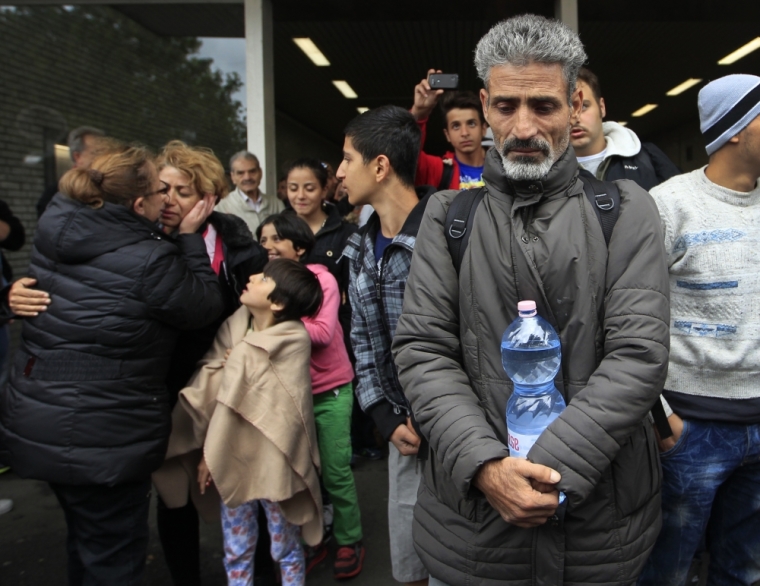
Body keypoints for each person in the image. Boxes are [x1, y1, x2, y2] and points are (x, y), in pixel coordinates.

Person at [391, 14, 669, 586]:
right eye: (506, 106)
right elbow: (423, 350)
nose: (522, 126)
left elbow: (639, 355)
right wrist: (487, 467)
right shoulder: (447, 217)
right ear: (487, 105)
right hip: (474, 529)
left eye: (543, 106)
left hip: (600, 526)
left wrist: (551, 471)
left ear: (574, 105)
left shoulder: (626, 210)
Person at [0, 145, 224, 585]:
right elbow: (203, 305)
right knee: (114, 560)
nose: (170, 199)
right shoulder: (150, 257)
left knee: (86, 545)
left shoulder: (59, 226)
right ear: (139, 205)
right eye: (162, 190)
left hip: (40, 418)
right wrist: (189, 240)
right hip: (105, 433)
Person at [638, 74, 760, 586]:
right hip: (691, 430)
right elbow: (625, 320)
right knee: (668, 570)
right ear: (736, 128)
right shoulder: (668, 205)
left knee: (746, 570)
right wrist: (662, 424)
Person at [161, 259, 324, 586]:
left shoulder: (293, 340)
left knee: (286, 547)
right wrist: (211, 452)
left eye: (263, 278)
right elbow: (212, 381)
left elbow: (289, 414)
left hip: (276, 462)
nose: (251, 277)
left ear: (277, 303)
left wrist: (236, 361)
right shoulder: (235, 326)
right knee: (236, 546)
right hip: (231, 454)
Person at [154, 140, 270, 586]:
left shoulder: (235, 240)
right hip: (166, 388)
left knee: (243, 486)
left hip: (230, 382)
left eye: (182, 191)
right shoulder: (144, 237)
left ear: (208, 196)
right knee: (174, 495)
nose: (169, 201)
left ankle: (258, 573)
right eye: (162, 189)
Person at [339, 105, 436, 586]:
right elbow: (362, 338)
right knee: (412, 562)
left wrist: (435, 411)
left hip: (457, 432)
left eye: (346, 158)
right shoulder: (359, 246)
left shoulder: (445, 234)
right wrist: (384, 415)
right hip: (403, 435)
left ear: (379, 166)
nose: (338, 172)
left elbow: (471, 335)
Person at [257, 212, 364, 578]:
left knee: (335, 471)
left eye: (275, 240)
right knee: (304, 475)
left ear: (299, 247)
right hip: (288, 394)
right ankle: (315, 538)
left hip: (330, 391)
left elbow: (321, 333)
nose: (267, 247)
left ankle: (350, 539)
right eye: (264, 241)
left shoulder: (322, 279)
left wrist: (276, 319)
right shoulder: (261, 283)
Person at [285, 158, 357, 353]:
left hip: (332, 339)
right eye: (293, 188)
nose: (300, 196)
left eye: (309, 188)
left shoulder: (346, 234)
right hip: (284, 335)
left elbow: (352, 298)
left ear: (325, 190)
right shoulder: (276, 229)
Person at [571, 67, 680, 190]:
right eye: (566, 109)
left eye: (584, 106)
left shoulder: (649, 158)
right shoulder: (547, 172)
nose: (575, 117)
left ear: (601, 107)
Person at [411, 70, 488, 190]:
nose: (465, 133)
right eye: (456, 126)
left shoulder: (504, 169)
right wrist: (418, 113)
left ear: (483, 129)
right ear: (447, 135)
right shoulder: (438, 170)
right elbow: (404, 157)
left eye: (471, 124)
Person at [36, 126, 106, 218]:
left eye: (105, 153)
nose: (103, 158)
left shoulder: (110, 186)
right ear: (77, 156)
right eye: (96, 153)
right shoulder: (55, 193)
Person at [215, 151, 284, 235]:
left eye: (252, 171)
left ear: (260, 173)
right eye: (241, 173)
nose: (247, 177)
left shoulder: (276, 204)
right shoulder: (222, 206)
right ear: (233, 177)